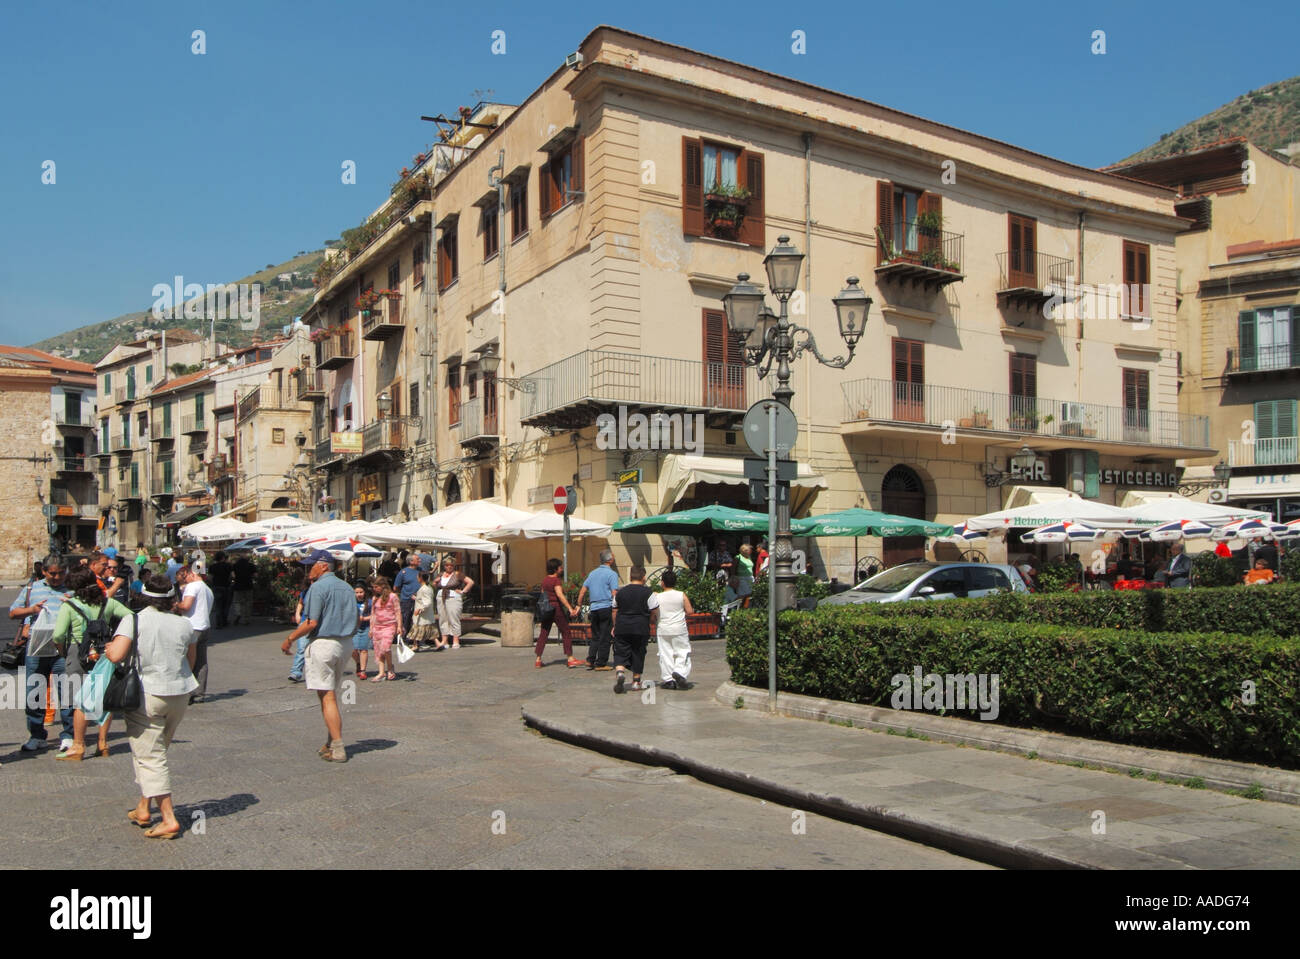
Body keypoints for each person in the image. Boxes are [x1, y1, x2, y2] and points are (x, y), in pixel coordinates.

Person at [108, 572, 199, 839]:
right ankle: (143, 807)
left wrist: (106, 649)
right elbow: (191, 661)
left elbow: (116, 655)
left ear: (144, 595)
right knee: (154, 751)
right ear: (172, 597)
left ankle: (169, 818)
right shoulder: (185, 625)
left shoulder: (134, 619)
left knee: (150, 757)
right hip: (179, 693)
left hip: (147, 694)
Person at [281, 551, 357, 761]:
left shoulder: (318, 587)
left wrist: (290, 638)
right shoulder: (347, 587)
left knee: (327, 696)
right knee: (329, 695)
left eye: (312, 564)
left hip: (324, 644)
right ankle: (331, 741)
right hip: (345, 644)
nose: (308, 569)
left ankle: (339, 747)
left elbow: (311, 622)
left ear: (324, 566)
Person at [51, 567, 131, 761]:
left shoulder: (70, 606)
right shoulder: (108, 603)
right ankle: (102, 743)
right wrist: (118, 639)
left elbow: (58, 634)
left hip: (77, 653)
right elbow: (131, 616)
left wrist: (62, 651)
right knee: (103, 698)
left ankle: (78, 745)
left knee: (79, 701)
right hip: (104, 654)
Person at [8, 554, 74, 753]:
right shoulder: (33, 589)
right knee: (34, 694)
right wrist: (32, 610)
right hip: (36, 649)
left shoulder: (72, 589)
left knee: (67, 692)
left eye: (61, 573)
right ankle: (37, 735)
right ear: (44, 572)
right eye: (52, 573)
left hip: (63, 648)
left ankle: (69, 734)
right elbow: (12, 612)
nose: (57, 577)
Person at [611, 565, 658, 694]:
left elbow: (614, 610)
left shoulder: (620, 592)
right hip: (640, 627)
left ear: (630, 577)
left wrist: (615, 625)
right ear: (643, 578)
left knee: (620, 651)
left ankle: (620, 672)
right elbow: (654, 610)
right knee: (639, 652)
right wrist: (651, 621)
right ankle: (636, 682)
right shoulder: (649, 592)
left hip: (622, 626)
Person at [173, 565, 213, 704]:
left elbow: (186, 606)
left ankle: (186, 692)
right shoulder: (207, 589)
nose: (185, 579)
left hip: (192, 627)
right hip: (204, 626)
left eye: (186, 576)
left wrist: (175, 605)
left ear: (192, 574)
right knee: (201, 660)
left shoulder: (193, 586)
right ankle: (199, 693)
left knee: (187, 659)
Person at [535, 558, 583, 668]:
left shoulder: (545, 580)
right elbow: (560, 595)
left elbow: (543, 594)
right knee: (565, 631)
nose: (562, 569)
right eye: (560, 567)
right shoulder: (556, 580)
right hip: (556, 608)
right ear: (556, 569)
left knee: (544, 632)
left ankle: (538, 659)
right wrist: (570, 608)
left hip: (546, 609)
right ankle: (570, 658)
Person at [576, 551, 619, 671]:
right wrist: (617, 608)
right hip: (606, 607)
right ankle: (601, 662)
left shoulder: (592, 573)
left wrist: (579, 604)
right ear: (610, 560)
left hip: (594, 608)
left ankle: (590, 660)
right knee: (605, 636)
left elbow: (582, 591)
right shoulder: (612, 574)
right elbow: (614, 593)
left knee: (595, 635)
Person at [654, 569, 693, 690]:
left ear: (662, 583)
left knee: (665, 654)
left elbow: (654, 612)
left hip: (663, 628)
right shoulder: (681, 595)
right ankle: (680, 672)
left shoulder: (657, 596)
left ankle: (668, 679)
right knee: (682, 651)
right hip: (679, 627)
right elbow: (690, 611)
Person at [435, 558, 474, 650]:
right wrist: (435, 582)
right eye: (447, 565)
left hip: (453, 597)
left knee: (454, 618)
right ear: (444, 566)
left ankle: (455, 640)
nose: (449, 567)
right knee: (443, 619)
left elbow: (470, 582)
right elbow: (435, 584)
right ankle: (445, 640)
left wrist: (463, 591)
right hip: (441, 597)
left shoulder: (457, 574)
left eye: (451, 565)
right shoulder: (441, 574)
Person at [367, 576, 400, 682]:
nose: (374, 589)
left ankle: (390, 668)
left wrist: (399, 626)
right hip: (377, 626)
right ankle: (381, 672)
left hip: (389, 625)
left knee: (385, 647)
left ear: (383, 586)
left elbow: (397, 612)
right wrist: (371, 628)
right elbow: (373, 614)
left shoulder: (392, 596)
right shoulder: (375, 598)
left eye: (376, 587)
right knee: (378, 650)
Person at [393, 553, 422, 640]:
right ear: (411, 561)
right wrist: (405, 594)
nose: (420, 560)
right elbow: (396, 587)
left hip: (419, 600)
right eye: (418, 559)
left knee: (418, 620)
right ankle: (405, 638)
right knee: (406, 619)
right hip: (407, 600)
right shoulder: (403, 572)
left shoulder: (421, 571)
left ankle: (416, 639)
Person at [410, 570, 438, 652]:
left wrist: (420, 609)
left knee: (417, 628)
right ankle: (437, 643)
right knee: (427, 629)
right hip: (424, 614)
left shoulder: (425, 589)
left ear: (421, 578)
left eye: (418, 576)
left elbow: (427, 602)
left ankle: (415, 645)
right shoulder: (426, 588)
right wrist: (416, 598)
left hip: (422, 614)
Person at [351, 583, 373, 680]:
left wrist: (364, 618)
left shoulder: (370, 602)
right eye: (357, 592)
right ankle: (358, 663)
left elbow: (374, 615)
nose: (359, 594)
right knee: (353, 649)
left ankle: (363, 670)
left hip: (366, 627)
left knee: (363, 649)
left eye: (361, 592)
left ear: (365, 592)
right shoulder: (350, 602)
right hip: (354, 628)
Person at [209, 552, 233, 629]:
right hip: (226, 586)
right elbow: (233, 576)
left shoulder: (212, 566)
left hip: (216, 586)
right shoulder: (228, 566)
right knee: (226, 605)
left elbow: (210, 577)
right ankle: (224, 620)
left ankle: (218, 622)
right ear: (223, 558)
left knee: (218, 605)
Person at [231, 554, 255, 625]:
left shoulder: (235, 565)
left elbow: (233, 576)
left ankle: (238, 613)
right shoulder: (251, 565)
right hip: (248, 585)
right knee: (248, 602)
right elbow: (255, 575)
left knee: (237, 601)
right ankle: (246, 619)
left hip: (238, 585)